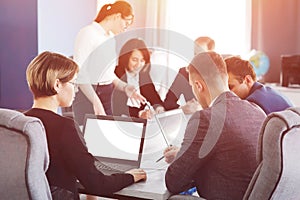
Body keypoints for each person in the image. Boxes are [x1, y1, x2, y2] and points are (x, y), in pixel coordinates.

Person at [24, 51, 147, 200]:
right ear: (57, 85)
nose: (76, 90)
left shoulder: (22, 122)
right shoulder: (64, 127)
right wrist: (130, 176)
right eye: (73, 84)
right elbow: (97, 184)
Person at [164, 51, 266, 199]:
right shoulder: (257, 110)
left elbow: (173, 181)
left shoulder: (205, 118)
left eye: (192, 85)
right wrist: (184, 155)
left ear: (198, 86)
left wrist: (184, 159)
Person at [73, 1, 145, 125]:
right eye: (125, 24)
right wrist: (96, 102)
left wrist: (125, 87)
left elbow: (108, 75)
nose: (125, 29)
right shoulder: (88, 33)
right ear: (116, 16)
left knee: (105, 138)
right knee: (89, 139)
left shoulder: (110, 37)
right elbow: (80, 74)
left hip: (107, 94)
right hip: (89, 96)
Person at [112, 38, 165, 119]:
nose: (139, 65)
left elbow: (153, 95)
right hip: (118, 119)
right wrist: (139, 113)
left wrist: (159, 107)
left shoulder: (143, 75)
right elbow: (118, 107)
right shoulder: (116, 74)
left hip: (137, 121)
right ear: (126, 58)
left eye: (142, 60)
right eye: (134, 60)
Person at [163, 36, 215, 114]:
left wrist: (203, 108)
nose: (197, 58)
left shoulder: (220, 76)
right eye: (195, 53)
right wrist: (182, 109)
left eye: (201, 54)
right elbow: (168, 103)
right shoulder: (184, 73)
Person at [225, 56, 293, 115]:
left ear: (248, 80)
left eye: (230, 87)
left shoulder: (254, 103)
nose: (227, 93)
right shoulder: (267, 91)